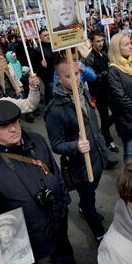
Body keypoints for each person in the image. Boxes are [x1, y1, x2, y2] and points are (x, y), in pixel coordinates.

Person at [0, 100, 83, 264]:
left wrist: (64, 199)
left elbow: (55, 173)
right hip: (23, 236)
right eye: (4, 126)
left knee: (65, 258)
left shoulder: (37, 141)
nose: (14, 129)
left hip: (56, 221)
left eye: (15, 122)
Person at [44, 55, 109, 243]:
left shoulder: (83, 92)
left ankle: (84, 207)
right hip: (80, 166)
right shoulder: (55, 110)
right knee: (88, 197)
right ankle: (99, 232)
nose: (75, 78)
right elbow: (56, 145)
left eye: (77, 73)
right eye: (68, 76)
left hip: (97, 156)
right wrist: (75, 146)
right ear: (59, 78)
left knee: (92, 191)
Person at [107, 33, 132, 161]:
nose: (131, 47)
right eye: (126, 44)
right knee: (129, 151)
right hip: (126, 119)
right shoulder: (113, 71)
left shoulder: (131, 63)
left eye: (130, 43)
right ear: (117, 49)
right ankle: (127, 178)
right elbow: (120, 98)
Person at [84, 30, 118, 153]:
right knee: (104, 117)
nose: (101, 43)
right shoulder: (89, 59)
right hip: (98, 93)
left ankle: (103, 131)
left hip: (109, 90)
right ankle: (108, 141)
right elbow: (92, 77)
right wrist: (107, 72)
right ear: (91, 42)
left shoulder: (104, 53)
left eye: (102, 40)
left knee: (117, 112)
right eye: (97, 41)